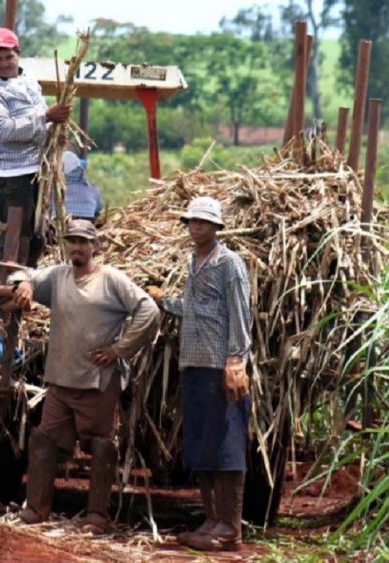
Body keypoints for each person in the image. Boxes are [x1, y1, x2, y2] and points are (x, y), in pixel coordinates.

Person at [11, 219, 160, 534]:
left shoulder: (110, 280)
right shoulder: (59, 276)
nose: (77, 247)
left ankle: (97, 517)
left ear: (95, 246)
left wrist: (120, 349)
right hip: (61, 379)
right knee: (45, 439)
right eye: (72, 241)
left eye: (83, 242)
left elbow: (149, 310)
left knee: (100, 445)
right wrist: (25, 283)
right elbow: (22, 273)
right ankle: (36, 510)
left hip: (97, 381)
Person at [148, 197, 251, 552]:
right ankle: (211, 519)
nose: (196, 226)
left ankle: (229, 527)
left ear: (216, 227)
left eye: (203, 222)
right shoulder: (194, 261)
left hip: (219, 367)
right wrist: (164, 301)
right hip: (194, 364)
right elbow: (194, 309)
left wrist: (235, 360)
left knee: (226, 445)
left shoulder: (228, 263)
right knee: (202, 445)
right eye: (192, 221)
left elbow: (240, 312)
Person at [0, 27, 72, 266]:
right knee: (13, 238)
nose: (4, 63)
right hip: (10, 177)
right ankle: (9, 282)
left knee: (36, 234)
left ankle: (28, 279)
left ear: (18, 54)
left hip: (37, 171)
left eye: (9, 57)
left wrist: (53, 133)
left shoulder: (29, 82)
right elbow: (5, 130)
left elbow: (42, 122)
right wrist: (46, 117)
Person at [62, 151, 102, 223]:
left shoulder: (51, 191)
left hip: (59, 224)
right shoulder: (93, 189)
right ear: (79, 169)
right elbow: (98, 209)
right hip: (87, 225)